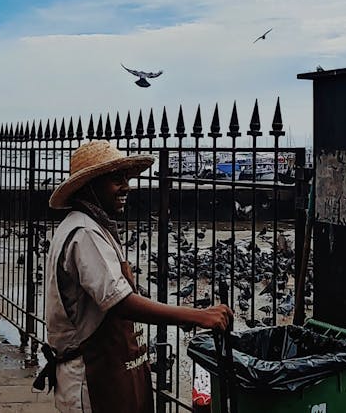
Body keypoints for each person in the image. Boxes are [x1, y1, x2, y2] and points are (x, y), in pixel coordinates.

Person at [36, 140, 234, 413]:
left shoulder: (92, 226)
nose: (126, 186)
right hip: (90, 377)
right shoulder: (85, 233)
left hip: (110, 368)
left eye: (126, 178)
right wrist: (196, 316)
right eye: (116, 179)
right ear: (90, 186)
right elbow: (120, 302)